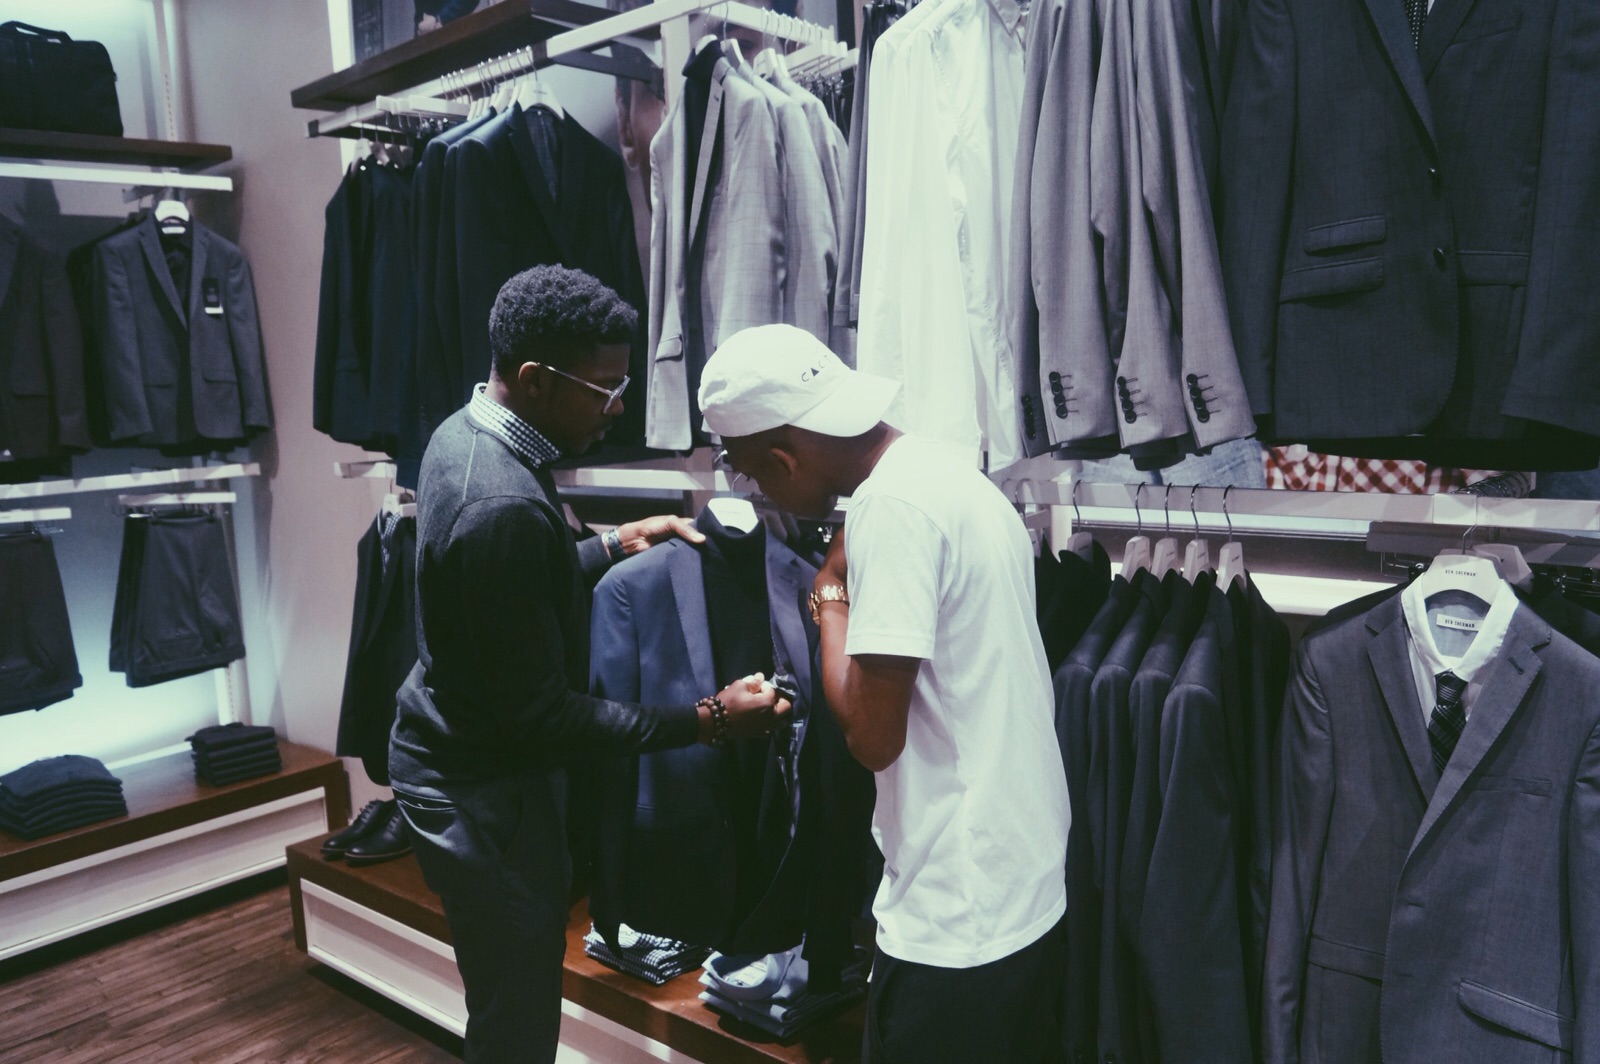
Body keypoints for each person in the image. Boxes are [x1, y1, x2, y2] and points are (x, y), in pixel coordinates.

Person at [389, 266, 790, 1063]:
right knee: (516, 1019)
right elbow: (544, 716)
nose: (616, 408)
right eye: (604, 389)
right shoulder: (498, 503)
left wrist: (609, 544)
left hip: (462, 757)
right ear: (536, 379)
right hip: (483, 794)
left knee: (508, 998)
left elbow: (507, 598)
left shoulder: (465, 433)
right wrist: (709, 719)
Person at [702, 324, 1071, 1063]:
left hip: (956, 907)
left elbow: (873, 737)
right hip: (1020, 872)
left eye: (750, 476)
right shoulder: (949, 474)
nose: (758, 493)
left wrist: (828, 597)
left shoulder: (890, 509)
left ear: (782, 456)